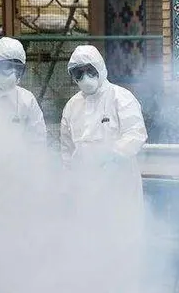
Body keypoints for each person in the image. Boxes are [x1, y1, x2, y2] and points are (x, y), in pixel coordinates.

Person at [60, 45, 148, 292]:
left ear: (100, 68)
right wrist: (69, 182)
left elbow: (136, 133)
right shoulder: (71, 107)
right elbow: (67, 149)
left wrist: (113, 155)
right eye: (78, 74)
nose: (85, 78)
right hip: (85, 186)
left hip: (118, 183)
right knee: (88, 243)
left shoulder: (121, 97)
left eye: (89, 71)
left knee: (122, 242)